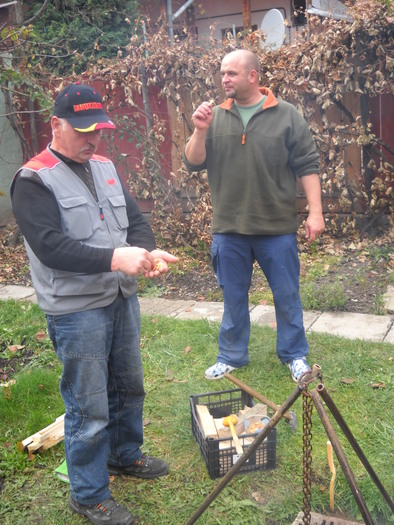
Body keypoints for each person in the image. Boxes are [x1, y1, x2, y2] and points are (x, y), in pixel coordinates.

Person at [11, 82, 178, 525]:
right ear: (56, 125)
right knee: (88, 405)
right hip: (75, 310)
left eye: (98, 130)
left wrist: (145, 253)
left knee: (128, 385)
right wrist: (114, 258)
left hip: (120, 298)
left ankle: (124, 455)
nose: (93, 140)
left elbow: (135, 223)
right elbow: (50, 247)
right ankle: (88, 493)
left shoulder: (104, 165)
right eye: (83, 130)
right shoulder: (33, 178)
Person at [183, 49, 325, 383]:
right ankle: (231, 356)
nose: (224, 79)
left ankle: (294, 355)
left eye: (231, 73)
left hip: (276, 227)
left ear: (253, 76)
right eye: (222, 73)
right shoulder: (214, 116)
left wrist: (315, 212)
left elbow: (307, 165)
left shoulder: (286, 115)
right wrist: (200, 130)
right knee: (233, 297)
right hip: (229, 228)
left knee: (287, 294)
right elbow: (192, 161)